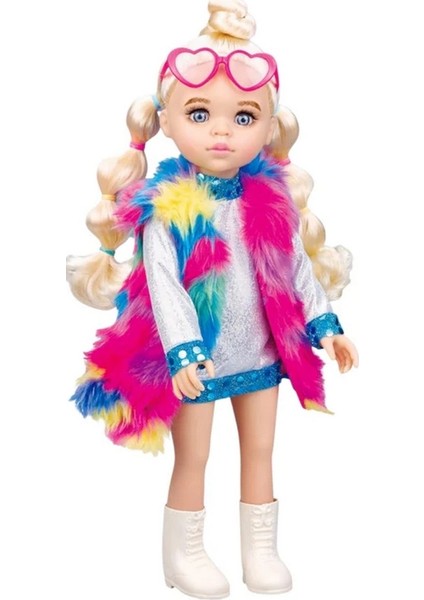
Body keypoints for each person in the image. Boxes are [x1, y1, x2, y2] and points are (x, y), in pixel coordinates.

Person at [67, 1, 359, 597]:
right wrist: (183, 351)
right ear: (166, 122)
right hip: (196, 358)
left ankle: (260, 549)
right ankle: (185, 555)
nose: (221, 131)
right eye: (199, 114)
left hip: (261, 348)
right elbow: (164, 284)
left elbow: (295, 269)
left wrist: (326, 325)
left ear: (269, 127)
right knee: (194, 456)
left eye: (243, 116)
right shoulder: (168, 209)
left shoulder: (270, 200)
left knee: (261, 448)